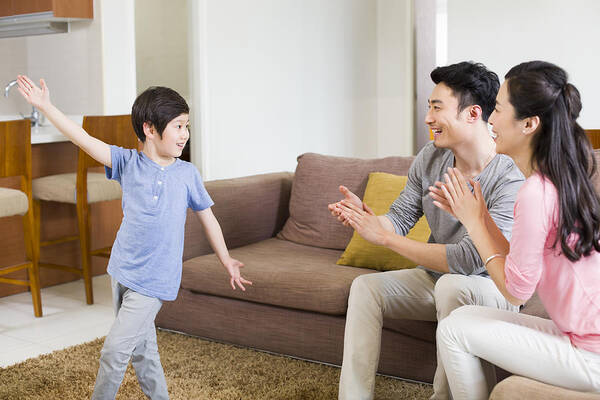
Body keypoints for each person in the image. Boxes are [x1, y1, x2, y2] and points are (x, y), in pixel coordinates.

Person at [16, 75, 252, 400]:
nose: (185, 134)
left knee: (114, 353)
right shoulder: (128, 163)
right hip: (122, 270)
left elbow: (207, 216)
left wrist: (226, 258)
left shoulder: (187, 174)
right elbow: (82, 138)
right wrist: (46, 106)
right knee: (143, 351)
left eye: (186, 126)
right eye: (178, 126)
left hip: (153, 280)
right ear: (150, 129)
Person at [330, 61, 525, 400]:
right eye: (428, 108)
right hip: (437, 279)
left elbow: (468, 261)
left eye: (437, 108)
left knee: (451, 285)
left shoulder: (509, 175)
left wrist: (386, 239)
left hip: (494, 288)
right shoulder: (430, 159)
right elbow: (402, 216)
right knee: (365, 288)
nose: (427, 118)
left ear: (473, 113)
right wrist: (373, 223)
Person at [431, 61, 600, 399]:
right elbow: (517, 265)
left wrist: (476, 222)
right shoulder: (555, 179)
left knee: (453, 330)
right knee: (462, 316)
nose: (490, 120)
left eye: (498, 109)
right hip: (582, 335)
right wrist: (477, 216)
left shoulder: (537, 191)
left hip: (590, 353)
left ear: (528, 124)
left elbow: (516, 291)